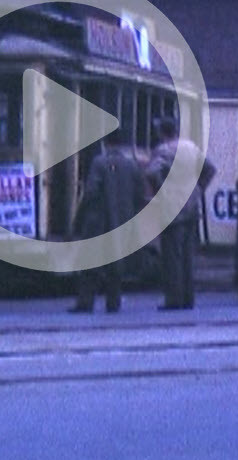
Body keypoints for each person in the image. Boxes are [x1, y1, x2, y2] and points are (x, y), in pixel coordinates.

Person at [69, 127, 147, 313]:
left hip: (99, 221)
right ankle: (114, 302)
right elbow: (140, 195)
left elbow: (91, 192)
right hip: (123, 221)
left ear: (105, 143)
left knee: (91, 263)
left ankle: (85, 302)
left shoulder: (99, 163)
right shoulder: (132, 165)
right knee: (115, 265)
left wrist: (79, 218)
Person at [146, 116, 216, 310]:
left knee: (172, 256)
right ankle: (188, 298)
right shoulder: (190, 148)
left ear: (162, 132)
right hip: (192, 206)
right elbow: (210, 169)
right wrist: (198, 189)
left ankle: (174, 299)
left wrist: (162, 190)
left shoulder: (163, 150)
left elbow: (151, 172)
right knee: (187, 255)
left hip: (172, 207)